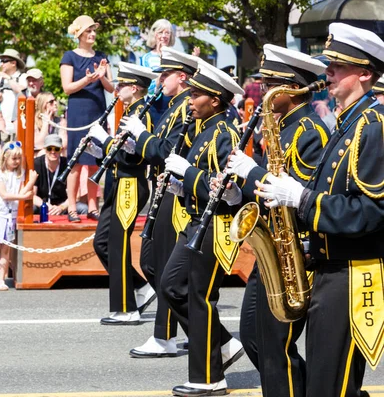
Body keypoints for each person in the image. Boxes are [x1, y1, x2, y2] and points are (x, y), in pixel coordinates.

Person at [254, 23, 384, 397]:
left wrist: (302, 199)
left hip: (352, 275)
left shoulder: (372, 127)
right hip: (329, 266)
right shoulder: (348, 122)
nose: (327, 74)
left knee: (331, 386)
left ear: (364, 73)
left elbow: (372, 212)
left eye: (337, 68)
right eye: (328, 66)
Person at [226, 45, 330, 397]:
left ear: (292, 88)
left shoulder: (309, 131)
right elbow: (269, 194)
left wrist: (250, 170)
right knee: (255, 340)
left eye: (271, 82)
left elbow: (300, 194)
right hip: (273, 249)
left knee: (275, 348)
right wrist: (235, 191)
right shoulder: (281, 128)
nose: (264, 89)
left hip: (295, 257)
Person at [159, 61, 245, 396]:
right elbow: (201, 183)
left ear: (216, 100)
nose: (190, 100)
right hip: (196, 220)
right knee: (171, 286)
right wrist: (179, 185)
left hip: (216, 224)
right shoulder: (203, 129)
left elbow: (225, 188)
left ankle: (209, 378)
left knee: (199, 296)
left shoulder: (225, 133)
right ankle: (221, 344)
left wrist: (188, 174)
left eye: (197, 94)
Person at [121, 47, 199, 357]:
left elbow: (166, 151)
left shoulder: (184, 109)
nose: (160, 80)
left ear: (181, 77)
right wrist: (133, 143)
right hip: (163, 187)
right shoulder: (172, 107)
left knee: (162, 265)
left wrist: (141, 135)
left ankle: (165, 336)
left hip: (175, 192)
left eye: (164, 75)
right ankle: (201, 330)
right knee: (151, 263)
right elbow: (158, 150)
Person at [89, 62, 158, 324]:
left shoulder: (143, 114)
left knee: (118, 244)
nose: (116, 88)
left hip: (131, 183)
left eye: (120, 85)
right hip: (118, 181)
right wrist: (100, 151)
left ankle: (126, 309)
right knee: (103, 242)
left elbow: (138, 156)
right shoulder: (131, 111)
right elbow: (121, 154)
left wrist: (105, 141)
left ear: (134, 88)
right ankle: (140, 287)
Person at [60, 15, 114, 222]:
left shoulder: (101, 56)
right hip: (78, 112)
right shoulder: (69, 56)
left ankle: (93, 206)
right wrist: (87, 79)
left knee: (94, 162)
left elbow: (111, 88)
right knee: (75, 163)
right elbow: (67, 88)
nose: (92, 34)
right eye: (88, 31)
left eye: (93, 31)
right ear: (79, 34)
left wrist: (101, 76)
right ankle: (72, 208)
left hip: (97, 112)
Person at [0, 142, 37, 291]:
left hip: (10, 215)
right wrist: (24, 197)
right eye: (14, 158)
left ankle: (1, 279)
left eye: (19, 158)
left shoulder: (18, 174)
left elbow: (21, 192)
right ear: (5, 158)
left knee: (6, 249)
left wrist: (31, 182)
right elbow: (5, 195)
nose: (17, 161)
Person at [33, 134, 86, 216]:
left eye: (56, 149)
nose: (53, 152)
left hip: (63, 205)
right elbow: (32, 195)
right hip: (42, 205)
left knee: (83, 208)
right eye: (49, 148)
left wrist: (61, 207)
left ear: (61, 149)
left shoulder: (68, 165)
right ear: (44, 149)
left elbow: (76, 195)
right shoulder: (36, 164)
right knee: (31, 207)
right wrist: (46, 206)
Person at [140, 19, 176, 123]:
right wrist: (162, 61)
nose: (164, 36)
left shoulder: (176, 57)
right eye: (160, 32)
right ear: (154, 35)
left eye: (167, 33)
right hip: (156, 105)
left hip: (173, 103)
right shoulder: (146, 58)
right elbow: (150, 89)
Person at [0, 48, 26, 138]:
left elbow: (21, 92)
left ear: (13, 63)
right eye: (1, 61)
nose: (1, 64)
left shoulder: (23, 77)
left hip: (18, 128)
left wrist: (7, 77)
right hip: (0, 128)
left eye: (4, 61)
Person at [34, 92, 66, 156]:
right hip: (40, 155)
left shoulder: (61, 121)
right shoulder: (34, 122)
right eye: (51, 102)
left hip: (57, 152)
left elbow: (63, 143)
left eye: (55, 100)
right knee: (43, 153)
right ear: (43, 105)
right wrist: (46, 123)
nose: (55, 103)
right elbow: (39, 144)